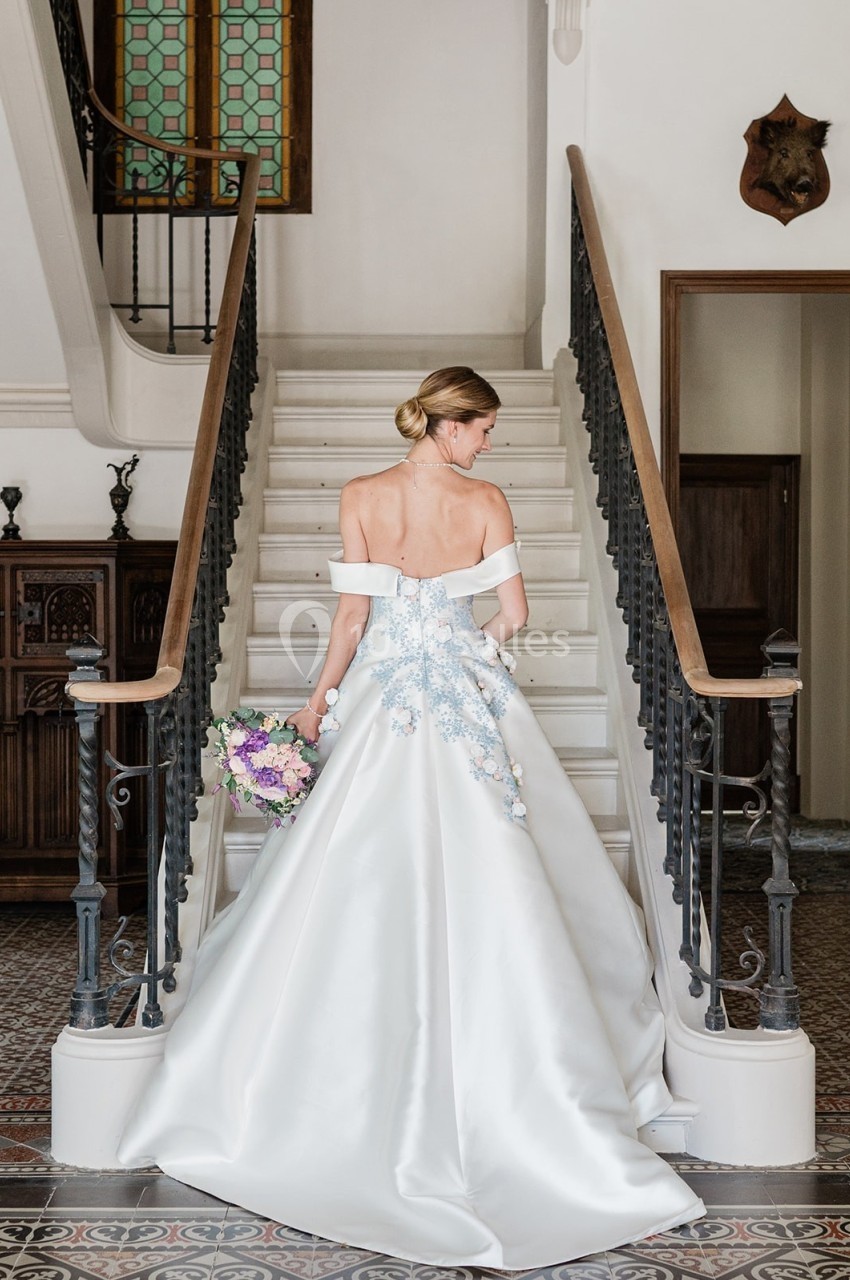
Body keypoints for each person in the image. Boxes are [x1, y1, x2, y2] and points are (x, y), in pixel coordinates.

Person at [118, 367, 705, 1268]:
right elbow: (512, 614)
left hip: (383, 688)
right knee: (502, 854)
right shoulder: (487, 501)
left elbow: (351, 620)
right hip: (464, 692)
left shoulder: (361, 493)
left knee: (347, 865)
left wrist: (317, 706)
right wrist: (466, 653)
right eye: (482, 429)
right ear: (448, 423)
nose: (488, 444)